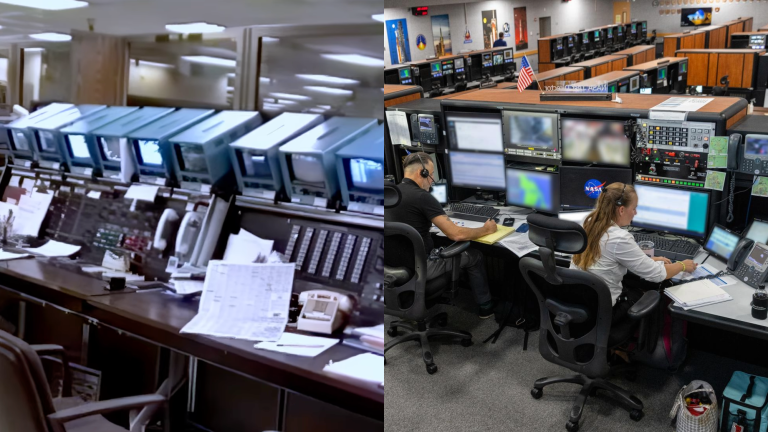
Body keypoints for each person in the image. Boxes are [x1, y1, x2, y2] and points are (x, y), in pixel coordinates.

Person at [385, 152, 498, 318]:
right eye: (431, 176)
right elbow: (456, 234)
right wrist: (486, 229)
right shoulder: (422, 197)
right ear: (421, 173)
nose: (431, 183)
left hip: (389, 267)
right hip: (421, 267)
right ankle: (486, 308)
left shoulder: (389, 194)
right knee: (475, 256)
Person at [571, 183, 698, 322]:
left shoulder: (587, 222)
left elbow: (606, 256)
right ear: (621, 210)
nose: (635, 213)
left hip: (579, 305)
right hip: (603, 314)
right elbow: (657, 274)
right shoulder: (620, 238)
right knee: (648, 293)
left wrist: (649, 260)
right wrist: (683, 265)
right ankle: (648, 342)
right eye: (634, 208)